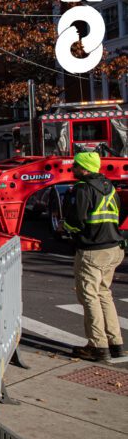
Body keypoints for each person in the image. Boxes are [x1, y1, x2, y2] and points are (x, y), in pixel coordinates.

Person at [62, 152, 124, 361]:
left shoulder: (83, 188)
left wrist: (66, 227)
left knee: (89, 297)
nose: (74, 170)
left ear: (85, 168)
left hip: (92, 250)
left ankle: (97, 345)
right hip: (113, 248)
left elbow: (76, 220)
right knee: (104, 294)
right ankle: (115, 342)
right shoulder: (109, 187)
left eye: (76, 166)